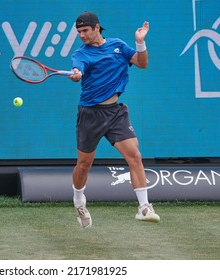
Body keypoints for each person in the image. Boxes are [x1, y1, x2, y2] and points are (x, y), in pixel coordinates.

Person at [68, 11, 160, 229]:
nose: (81, 35)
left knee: (134, 155)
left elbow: (141, 63)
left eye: (85, 30)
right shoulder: (80, 54)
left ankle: (144, 207)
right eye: (78, 32)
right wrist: (77, 74)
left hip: (116, 112)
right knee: (84, 164)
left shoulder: (118, 45)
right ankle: (79, 201)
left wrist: (140, 43)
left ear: (97, 28)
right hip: (90, 114)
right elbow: (77, 69)